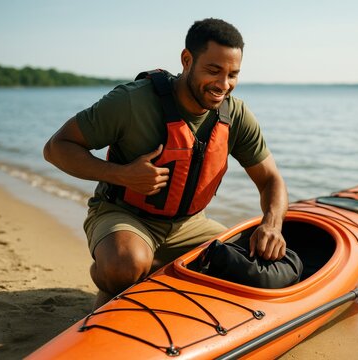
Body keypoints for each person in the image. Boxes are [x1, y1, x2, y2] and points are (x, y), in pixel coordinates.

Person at [44, 18, 288, 309]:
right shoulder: (131, 101)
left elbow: (271, 179)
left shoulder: (235, 115)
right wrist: (122, 175)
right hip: (125, 215)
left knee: (255, 269)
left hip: (191, 225)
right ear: (187, 60)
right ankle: (114, 279)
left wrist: (272, 225)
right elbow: (56, 148)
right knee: (125, 266)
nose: (223, 85)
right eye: (213, 70)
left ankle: (155, 271)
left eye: (233, 74)